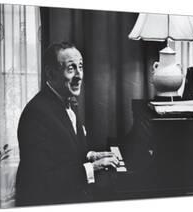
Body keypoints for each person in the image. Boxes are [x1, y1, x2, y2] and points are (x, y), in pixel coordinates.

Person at [15, 42, 120, 206]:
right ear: (51, 74)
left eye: (81, 67)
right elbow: (42, 180)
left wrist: (91, 155)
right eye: (71, 69)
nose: (79, 75)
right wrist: (93, 167)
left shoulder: (65, 99)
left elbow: (63, 152)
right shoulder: (36, 114)